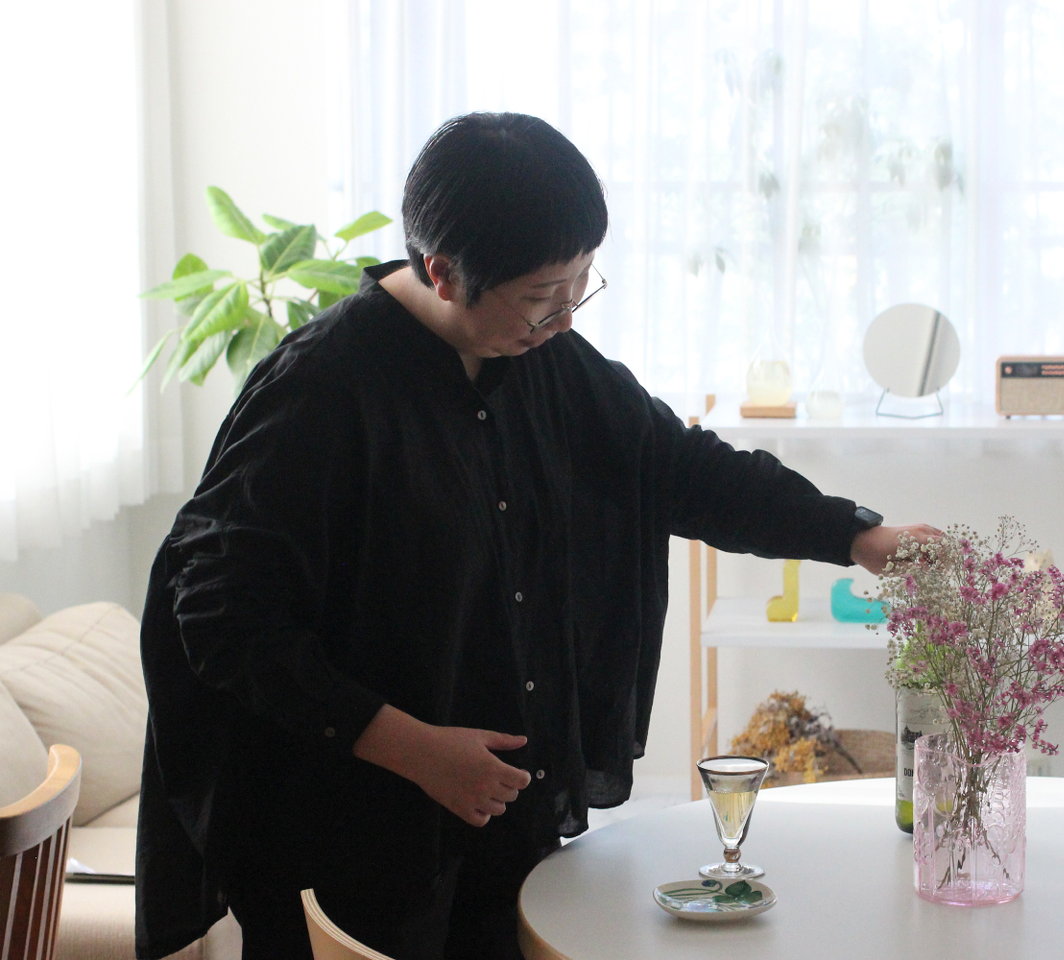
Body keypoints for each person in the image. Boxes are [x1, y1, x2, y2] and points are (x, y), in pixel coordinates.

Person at [135, 112, 938, 960]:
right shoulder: (320, 391)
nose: (564, 318)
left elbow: (678, 469)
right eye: (540, 295)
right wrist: (416, 749)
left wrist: (859, 537)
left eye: (582, 282)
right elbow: (220, 615)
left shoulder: (545, 361)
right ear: (443, 273)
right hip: (351, 826)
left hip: (498, 810)